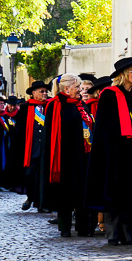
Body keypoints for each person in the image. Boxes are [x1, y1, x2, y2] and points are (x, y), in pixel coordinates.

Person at [87, 58, 132, 245]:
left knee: (129, 193)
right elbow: (102, 127)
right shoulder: (109, 95)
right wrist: (109, 151)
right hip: (113, 151)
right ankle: (112, 233)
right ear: (124, 74)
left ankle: (127, 233)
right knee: (113, 193)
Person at [40, 74, 93, 237]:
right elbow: (52, 134)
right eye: (77, 87)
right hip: (63, 155)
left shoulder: (80, 105)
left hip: (82, 154)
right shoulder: (55, 105)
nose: (79, 90)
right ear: (66, 88)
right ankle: (65, 227)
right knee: (65, 193)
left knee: (82, 192)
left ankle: (83, 227)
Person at [14, 81, 50, 211]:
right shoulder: (25, 108)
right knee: (30, 176)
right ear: (33, 93)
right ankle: (30, 197)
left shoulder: (50, 107)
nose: (45, 94)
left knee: (43, 177)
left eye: (46, 91)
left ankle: (41, 204)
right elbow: (19, 130)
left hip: (46, 148)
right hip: (30, 148)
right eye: (42, 91)